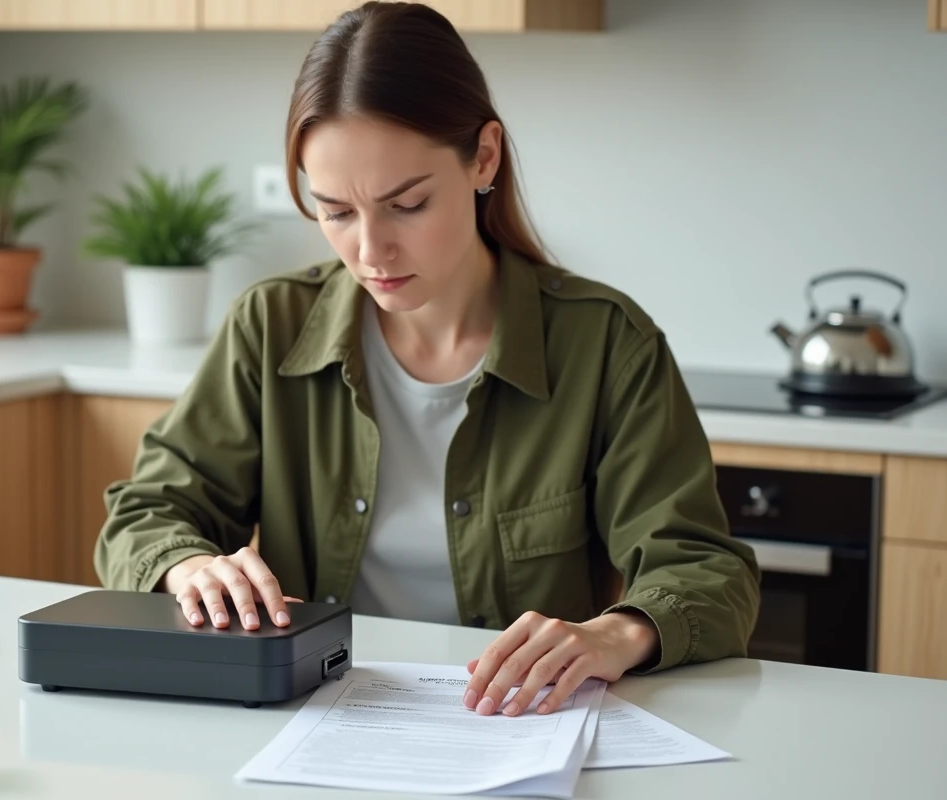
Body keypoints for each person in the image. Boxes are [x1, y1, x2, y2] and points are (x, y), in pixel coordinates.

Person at [95, 0, 760, 718]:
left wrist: (616, 634)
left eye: (407, 205)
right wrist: (188, 566)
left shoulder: (605, 343)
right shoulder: (271, 324)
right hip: (318, 723)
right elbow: (146, 513)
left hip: (518, 729)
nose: (370, 252)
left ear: (484, 157)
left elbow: (703, 568)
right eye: (336, 212)